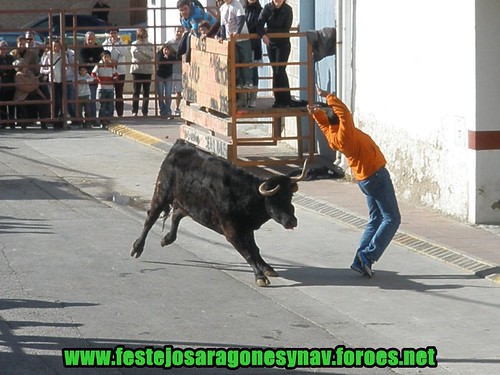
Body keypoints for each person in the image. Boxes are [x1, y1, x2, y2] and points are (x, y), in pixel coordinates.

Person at [307, 86, 401, 277]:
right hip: (375, 176)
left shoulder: (333, 134)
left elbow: (326, 125)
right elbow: (345, 112)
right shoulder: (344, 133)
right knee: (392, 219)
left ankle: (360, 261)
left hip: (367, 178)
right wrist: (328, 96)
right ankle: (368, 256)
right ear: (338, 118)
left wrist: (317, 115)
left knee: (376, 219)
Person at [256, 0, 293, 108]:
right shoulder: (267, 8)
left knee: (280, 70)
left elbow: (286, 28)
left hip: (283, 44)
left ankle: (286, 100)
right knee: (275, 71)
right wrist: (264, 36)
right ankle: (278, 100)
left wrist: (271, 33)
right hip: (271, 44)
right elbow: (259, 25)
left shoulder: (288, 10)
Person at [217, 0, 253, 96]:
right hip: (231, 39)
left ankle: (248, 81)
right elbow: (223, 25)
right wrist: (222, 36)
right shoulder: (223, 8)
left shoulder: (237, 4)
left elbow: (241, 19)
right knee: (235, 60)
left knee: (245, 59)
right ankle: (239, 82)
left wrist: (237, 32)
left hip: (242, 37)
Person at [13, 58, 50, 130]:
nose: (25, 65)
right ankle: (24, 124)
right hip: (23, 95)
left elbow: (37, 82)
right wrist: (33, 86)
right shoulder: (18, 75)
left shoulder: (30, 73)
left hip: (34, 93)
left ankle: (44, 123)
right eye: (23, 64)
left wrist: (33, 86)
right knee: (22, 105)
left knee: (43, 102)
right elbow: (24, 87)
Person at [39, 39, 67, 130]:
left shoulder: (63, 55)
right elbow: (42, 69)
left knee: (61, 101)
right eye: (54, 46)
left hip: (61, 80)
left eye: (57, 46)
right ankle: (54, 119)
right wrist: (49, 70)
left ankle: (60, 119)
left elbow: (67, 66)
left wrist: (65, 71)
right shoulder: (48, 55)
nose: (56, 48)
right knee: (55, 101)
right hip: (52, 81)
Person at [79, 31, 104, 125]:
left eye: (92, 39)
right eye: (88, 39)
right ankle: (88, 119)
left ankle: (94, 119)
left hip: (98, 77)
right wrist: (93, 63)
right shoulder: (82, 49)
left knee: (96, 100)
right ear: (85, 39)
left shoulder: (99, 48)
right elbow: (83, 62)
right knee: (89, 99)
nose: (90, 41)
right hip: (86, 77)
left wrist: (92, 62)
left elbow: (101, 61)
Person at [102, 27, 128, 117]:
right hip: (109, 71)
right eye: (111, 33)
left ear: (117, 33)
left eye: (115, 33)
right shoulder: (105, 43)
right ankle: (109, 113)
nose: (113, 35)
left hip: (120, 71)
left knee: (119, 92)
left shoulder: (122, 43)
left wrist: (115, 44)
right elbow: (104, 55)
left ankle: (120, 113)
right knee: (108, 92)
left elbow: (124, 53)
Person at [130, 28, 154, 116]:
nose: (143, 38)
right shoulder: (134, 44)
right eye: (141, 36)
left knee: (146, 92)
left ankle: (145, 111)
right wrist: (147, 56)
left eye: (144, 36)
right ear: (138, 36)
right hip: (137, 70)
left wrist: (143, 52)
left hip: (147, 71)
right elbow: (136, 55)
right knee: (136, 91)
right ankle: (134, 111)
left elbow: (152, 55)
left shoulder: (150, 44)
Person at [92, 50, 118, 126]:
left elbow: (115, 73)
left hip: (110, 87)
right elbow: (93, 73)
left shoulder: (111, 65)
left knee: (110, 104)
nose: (106, 59)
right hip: (101, 87)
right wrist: (97, 79)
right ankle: (102, 119)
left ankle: (108, 118)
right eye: (105, 57)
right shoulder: (98, 65)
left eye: (108, 57)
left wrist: (115, 78)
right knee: (102, 104)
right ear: (102, 57)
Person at [244, 0, 262, 108]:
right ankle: (245, 97)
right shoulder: (244, 9)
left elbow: (257, 26)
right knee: (244, 70)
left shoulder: (259, 10)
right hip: (244, 43)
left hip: (254, 44)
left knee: (253, 69)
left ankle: (253, 98)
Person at [156, 43, 178, 118]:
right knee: (161, 94)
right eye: (165, 49)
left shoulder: (171, 55)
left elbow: (176, 57)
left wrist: (169, 57)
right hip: (160, 75)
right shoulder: (159, 54)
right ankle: (162, 111)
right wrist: (165, 58)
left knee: (168, 94)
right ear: (162, 49)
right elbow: (159, 60)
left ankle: (168, 110)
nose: (166, 51)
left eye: (168, 50)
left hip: (168, 75)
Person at [167, 26, 184, 116]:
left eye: (181, 31)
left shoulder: (184, 43)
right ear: (174, 32)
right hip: (170, 70)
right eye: (177, 31)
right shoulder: (169, 43)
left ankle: (177, 108)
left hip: (180, 70)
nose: (179, 33)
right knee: (169, 91)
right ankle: (168, 109)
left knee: (178, 91)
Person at [0, 40, 16, 129]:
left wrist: (7, 72)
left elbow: (14, 68)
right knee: (2, 104)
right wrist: (5, 72)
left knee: (11, 104)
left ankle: (11, 122)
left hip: (10, 83)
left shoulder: (10, 57)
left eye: (5, 48)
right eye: (2, 48)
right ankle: (3, 122)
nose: (3, 50)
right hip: (1, 83)